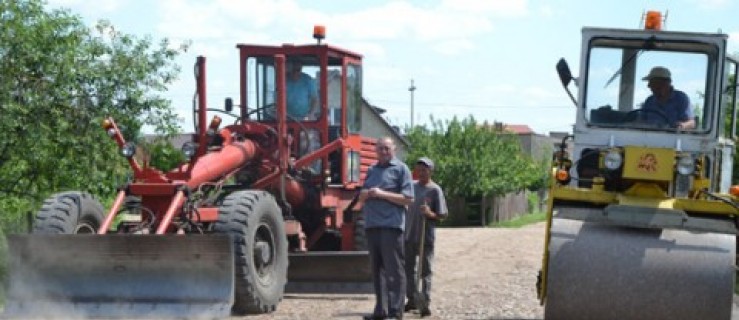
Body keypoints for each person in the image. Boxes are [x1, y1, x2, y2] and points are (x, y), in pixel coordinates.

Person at [358, 137, 415, 320]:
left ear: (394, 149)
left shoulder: (401, 169)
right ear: (376, 150)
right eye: (380, 148)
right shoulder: (372, 170)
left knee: (394, 271)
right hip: (372, 225)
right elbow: (361, 196)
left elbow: (408, 199)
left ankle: (395, 312)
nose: (383, 151)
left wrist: (382, 194)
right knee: (377, 271)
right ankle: (380, 311)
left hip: (391, 226)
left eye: (387, 148)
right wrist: (366, 194)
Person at [404, 157, 448, 318]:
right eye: (418, 170)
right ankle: (412, 299)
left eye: (424, 170)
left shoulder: (435, 190)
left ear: (430, 171)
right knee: (408, 270)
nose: (421, 173)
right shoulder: (411, 187)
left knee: (425, 271)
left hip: (425, 237)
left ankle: (425, 302)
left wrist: (430, 214)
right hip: (409, 235)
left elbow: (443, 214)